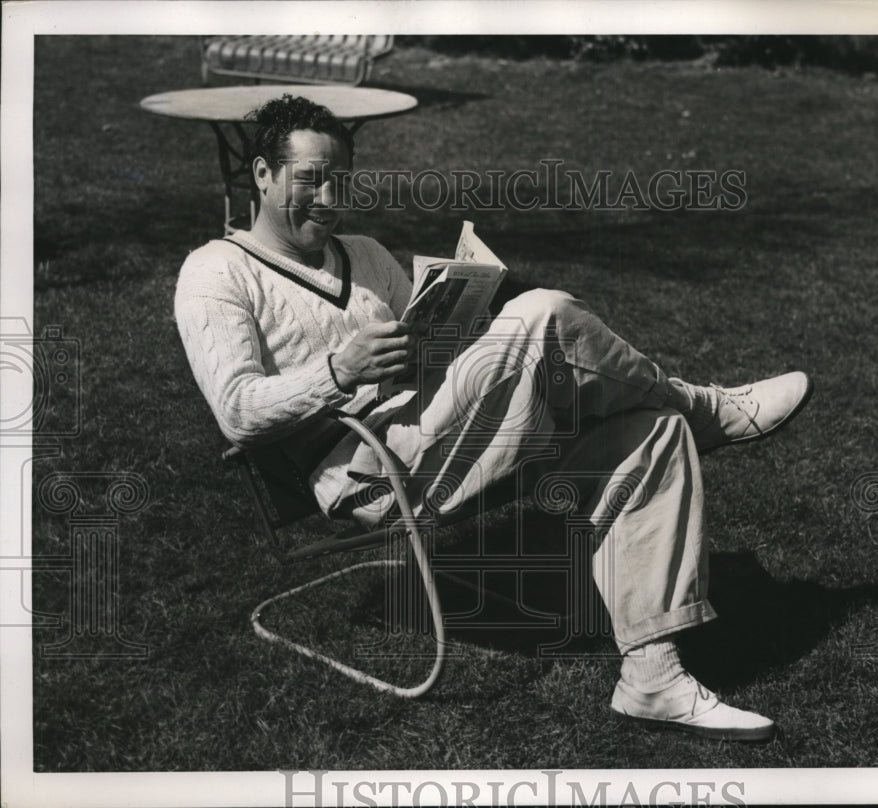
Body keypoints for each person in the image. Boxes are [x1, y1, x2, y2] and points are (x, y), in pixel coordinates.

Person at [174, 94, 812, 742]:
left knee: (648, 433)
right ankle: (706, 409)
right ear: (261, 174)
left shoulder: (363, 253)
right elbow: (236, 413)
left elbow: (426, 354)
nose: (330, 197)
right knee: (545, 313)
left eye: (341, 178)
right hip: (369, 470)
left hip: (436, 430)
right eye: (310, 178)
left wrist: (450, 326)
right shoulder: (214, 272)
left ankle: (653, 678)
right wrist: (340, 370)